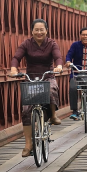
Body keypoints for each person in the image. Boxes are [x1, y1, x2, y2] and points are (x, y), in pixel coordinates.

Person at [10, 19, 63, 157]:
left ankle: (52, 115)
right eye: (36, 30)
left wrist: (59, 66)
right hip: (31, 78)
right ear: (32, 31)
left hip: (47, 76)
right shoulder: (26, 44)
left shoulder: (52, 43)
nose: (39, 32)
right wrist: (14, 69)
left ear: (46, 30)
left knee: (51, 89)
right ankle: (28, 144)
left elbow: (58, 57)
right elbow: (16, 57)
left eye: (42, 30)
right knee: (26, 110)